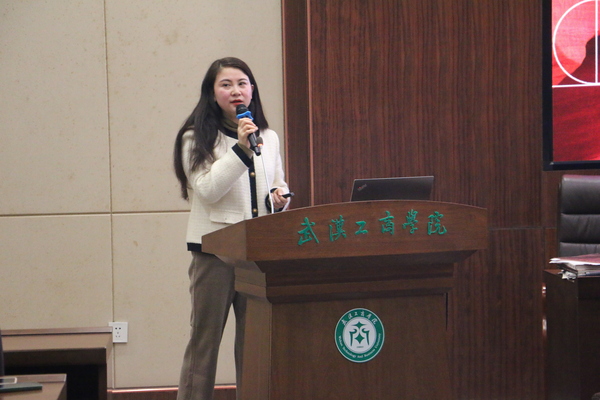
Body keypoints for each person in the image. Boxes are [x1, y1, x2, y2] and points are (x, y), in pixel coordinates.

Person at [173, 57, 290, 400]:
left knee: (255, 343)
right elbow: (208, 190)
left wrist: (280, 198)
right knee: (204, 342)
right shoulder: (195, 138)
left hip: (257, 255)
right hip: (215, 254)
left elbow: (277, 183)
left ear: (252, 90)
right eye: (226, 85)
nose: (236, 90)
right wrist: (240, 149)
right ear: (212, 94)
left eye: (242, 83)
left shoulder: (268, 136)